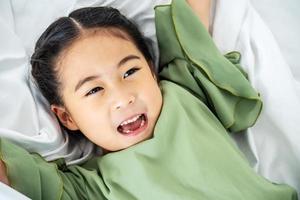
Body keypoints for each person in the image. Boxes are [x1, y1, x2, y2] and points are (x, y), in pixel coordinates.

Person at [0, 0, 297, 199]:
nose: (122, 97)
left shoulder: (186, 88)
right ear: (67, 118)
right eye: (93, 90)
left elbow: (195, 19)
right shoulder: (88, 186)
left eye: (130, 71)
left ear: (152, 72)